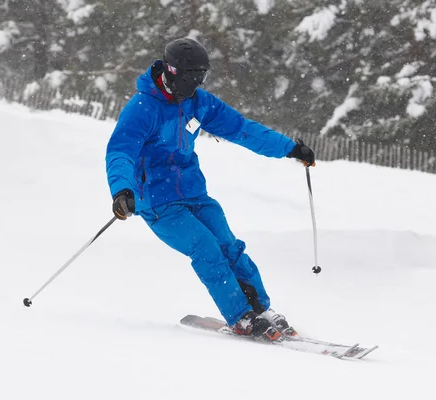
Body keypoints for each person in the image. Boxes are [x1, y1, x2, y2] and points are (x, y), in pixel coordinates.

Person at [105, 37, 316, 342]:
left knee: (230, 246)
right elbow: (120, 151)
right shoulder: (143, 108)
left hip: (195, 194)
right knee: (206, 249)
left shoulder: (199, 102)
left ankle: (261, 310)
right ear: (171, 71)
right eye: (190, 77)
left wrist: (289, 148)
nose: (195, 83)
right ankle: (239, 316)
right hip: (157, 203)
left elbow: (242, 129)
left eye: (200, 77)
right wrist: (122, 189)